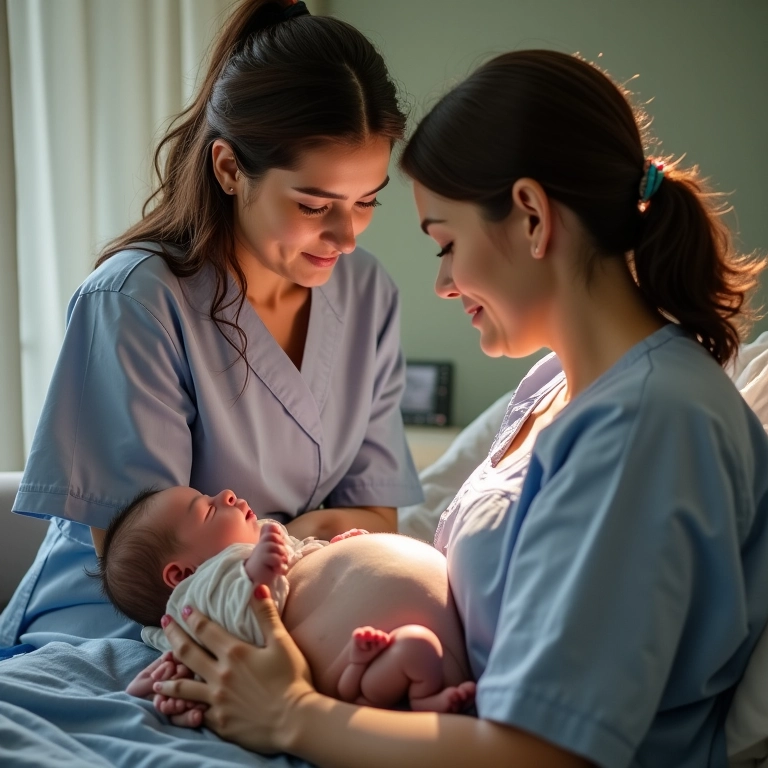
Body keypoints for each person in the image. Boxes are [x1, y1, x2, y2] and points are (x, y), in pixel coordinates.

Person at [150, 50, 768, 768]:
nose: (443, 284)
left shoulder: (647, 427)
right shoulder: (555, 385)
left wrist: (290, 714)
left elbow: (546, 751)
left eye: (446, 243)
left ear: (532, 216)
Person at [0, 0, 423, 651]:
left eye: (366, 201)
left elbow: (377, 515)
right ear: (228, 168)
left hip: (278, 610)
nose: (347, 236)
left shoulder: (367, 293)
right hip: (124, 628)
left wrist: (276, 557)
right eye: (314, 205)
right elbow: (150, 566)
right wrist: (295, 543)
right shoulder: (135, 300)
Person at [92, 485, 474, 716]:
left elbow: (303, 564)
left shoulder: (265, 548)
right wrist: (256, 573)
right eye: (207, 509)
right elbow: (237, 611)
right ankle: (417, 695)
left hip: (403, 643)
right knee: (413, 650)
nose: (225, 494)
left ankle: (423, 696)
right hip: (351, 656)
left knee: (414, 650)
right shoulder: (204, 589)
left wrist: (334, 548)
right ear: (180, 575)